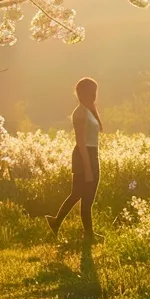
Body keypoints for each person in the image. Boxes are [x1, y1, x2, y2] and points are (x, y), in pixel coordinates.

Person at [50, 77, 102, 242]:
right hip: (84, 155)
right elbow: (81, 142)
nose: (95, 94)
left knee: (79, 194)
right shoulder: (80, 112)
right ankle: (89, 235)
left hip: (91, 153)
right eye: (93, 91)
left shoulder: (89, 110)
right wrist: (87, 168)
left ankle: (56, 222)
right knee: (85, 196)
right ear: (86, 93)